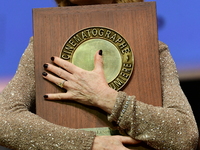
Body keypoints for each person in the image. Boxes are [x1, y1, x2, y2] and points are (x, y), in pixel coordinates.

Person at [0, 0, 198, 150]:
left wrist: (106, 98)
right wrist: (91, 144)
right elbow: (4, 120)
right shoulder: (42, 44)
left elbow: (185, 136)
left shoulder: (153, 49)